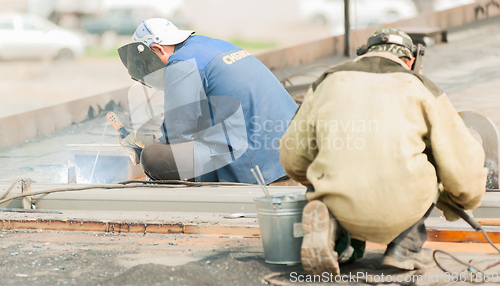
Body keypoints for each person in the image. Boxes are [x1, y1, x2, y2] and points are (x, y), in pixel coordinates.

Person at [279, 28, 487, 274]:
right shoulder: (422, 89)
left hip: (337, 201)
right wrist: (459, 201)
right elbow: (462, 167)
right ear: (411, 60)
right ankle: (404, 248)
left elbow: (293, 157)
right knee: (435, 162)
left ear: (366, 53)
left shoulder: (327, 81)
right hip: (403, 211)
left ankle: (333, 235)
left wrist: (319, 180)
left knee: (330, 161)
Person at [117, 18, 298, 184]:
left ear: (157, 49)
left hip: (258, 165)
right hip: (292, 151)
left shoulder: (181, 63)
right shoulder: (208, 45)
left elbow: (178, 137)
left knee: (153, 158)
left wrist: (146, 144)